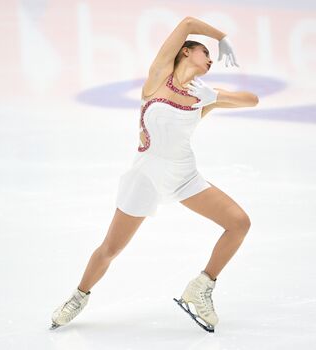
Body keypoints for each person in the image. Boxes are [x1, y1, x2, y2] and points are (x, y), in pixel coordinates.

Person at [51, 16, 258, 333]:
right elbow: (188, 23)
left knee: (239, 223)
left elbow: (252, 100)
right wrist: (222, 36)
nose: (211, 60)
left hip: (185, 177)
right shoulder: (159, 77)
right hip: (145, 178)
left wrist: (213, 96)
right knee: (111, 249)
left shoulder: (202, 95)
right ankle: (79, 296)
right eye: (207, 54)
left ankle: (201, 286)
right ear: (186, 52)